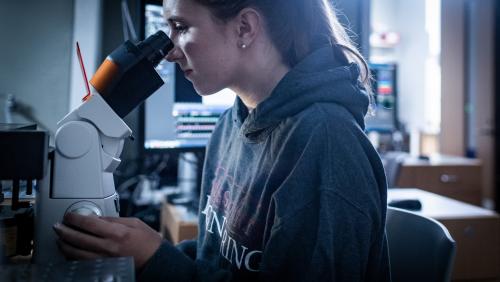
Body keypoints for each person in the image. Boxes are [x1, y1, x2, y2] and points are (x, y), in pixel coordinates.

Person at [53, 0, 391, 281]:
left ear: (244, 27)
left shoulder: (326, 145)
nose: (169, 51)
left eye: (181, 27)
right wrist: (144, 247)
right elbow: (222, 261)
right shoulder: (234, 122)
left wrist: (156, 259)